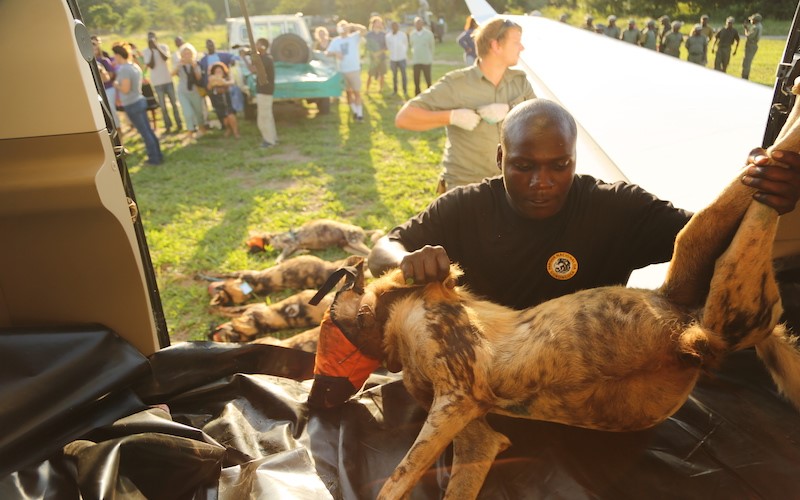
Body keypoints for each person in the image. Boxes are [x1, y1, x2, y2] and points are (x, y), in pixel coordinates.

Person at [369, 99, 800, 311]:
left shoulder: (617, 209)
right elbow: (382, 249)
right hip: (485, 375)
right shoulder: (465, 207)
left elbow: (710, 237)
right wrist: (408, 260)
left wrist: (759, 192)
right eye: (523, 166)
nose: (542, 183)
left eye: (559, 166)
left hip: (583, 375)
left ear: (575, 159)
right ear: (500, 159)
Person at [395, 17, 535, 193]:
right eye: (516, 42)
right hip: (465, 187)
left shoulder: (519, 82)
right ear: (496, 46)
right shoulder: (457, 84)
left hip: (508, 183)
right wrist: (451, 116)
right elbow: (404, 118)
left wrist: (511, 109)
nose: (521, 48)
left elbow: (542, 121)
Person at [111, 44, 163, 166]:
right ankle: (158, 155)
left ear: (118, 55)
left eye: (115, 56)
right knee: (148, 131)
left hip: (132, 103)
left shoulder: (124, 69)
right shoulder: (134, 66)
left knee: (145, 132)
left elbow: (125, 89)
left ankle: (153, 159)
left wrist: (116, 85)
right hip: (139, 100)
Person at [326, 19, 368, 121]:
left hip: (354, 69)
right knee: (348, 93)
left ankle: (359, 114)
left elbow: (364, 30)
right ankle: (354, 111)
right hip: (343, 70)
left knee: (357, 92)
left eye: (344, 27)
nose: (343, 29)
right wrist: (335, 53)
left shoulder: (354, 37)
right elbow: (327, 53)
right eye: (341, 27)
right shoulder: (335, 41)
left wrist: (352, 25)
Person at [143, 31, 182, 134]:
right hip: (157, 82)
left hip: (168, 80)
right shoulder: (146, 51)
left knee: (174, 104)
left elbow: (165, 58)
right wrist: (151, 51)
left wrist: (157, 48)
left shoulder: (163, 47)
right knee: (163, 106)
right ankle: (168, 125)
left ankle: (179, 124)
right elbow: (151, 65)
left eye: (153, 37)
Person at [172, 42, 207, 140]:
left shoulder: (196, 64)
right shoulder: (179, 64)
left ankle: (202, 128)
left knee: (198, 112)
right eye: (185, 53)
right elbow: (172, 74)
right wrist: (179, 66)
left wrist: (194, 66)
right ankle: (190, 131)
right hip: (183, 91)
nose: (187, 55)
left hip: (195, 91)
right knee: (188, 113)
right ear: (181, 54)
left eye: (189, 53)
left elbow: (199, 78)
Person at [250, 38, 277, 148]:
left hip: (264, 91)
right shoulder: (266, 58)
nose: (255, 47)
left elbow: (252, 69)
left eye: (257, 45)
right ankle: (273, 138)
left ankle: (269, 141)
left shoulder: (265, 59)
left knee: (263, 118)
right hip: (266, 91)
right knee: (268, 116)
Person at [91, 35, 120, 128]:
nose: (92, 46)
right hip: (96, 91)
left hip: (108, 88)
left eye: (94, 44)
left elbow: (110, 76)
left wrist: (101, 71)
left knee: (111, 112)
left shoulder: (104, 59)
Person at [206, 62, 240, 139]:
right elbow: (209, 87)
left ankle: (235, 131)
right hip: (217, 100)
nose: (218, 72)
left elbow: (231, 82)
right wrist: (214, 82)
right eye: (216, 71)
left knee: (230, 115)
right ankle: (228, 129)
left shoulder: (228, 77)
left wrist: (222, 82)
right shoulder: (211, 78)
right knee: (224, 118)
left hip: (227, 99)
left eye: (220, 70)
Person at [409, 16, 435, 96]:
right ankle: (417, 94)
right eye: (416, 23)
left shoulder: (428, 34)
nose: (418, 25)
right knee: (416, 79)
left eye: (420, 23)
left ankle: (429, 94)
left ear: (422, 24)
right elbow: (411, 45)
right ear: (414, 24)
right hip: (416, 60)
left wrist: (430, 57)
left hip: (426, 60)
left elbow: (432, 46)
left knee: (428, 79)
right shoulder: (412, 34)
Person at [385, 21, 409, 98]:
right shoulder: (388, 36)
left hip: (402, 58)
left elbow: (406, 44)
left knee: (403, 75)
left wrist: (403, 52)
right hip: (393, 59)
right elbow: (388, 46)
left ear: (398, 27)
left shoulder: (402, 35)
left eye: (396, 26)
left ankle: (405, 90)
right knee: (394, 75)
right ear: (391, 27)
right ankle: (395, 90)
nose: (395, 27)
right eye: (393, 26)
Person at [365, 16, 388, 93]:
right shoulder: (369, 35)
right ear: (373, 23)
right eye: (377, 22)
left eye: (380, 22)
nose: (379, 24)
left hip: (382, 58)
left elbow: (386, 47)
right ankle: (367, 90)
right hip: (373, 59)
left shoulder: (384, 34)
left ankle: (380, 89)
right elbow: (367, 46)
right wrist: (373, 54)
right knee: (370, 75)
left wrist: (378, 53)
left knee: (382, 75)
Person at [742, 13, 763, 80]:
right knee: (748, 62)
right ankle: (745, 76)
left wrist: (746, 29)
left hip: (751, 45)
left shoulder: (755, 27)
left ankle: (745, 77)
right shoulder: (759, 26)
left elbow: (749, 36)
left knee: (746, 62)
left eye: (752, 20)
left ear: (755, 20)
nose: (751, 21)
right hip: (754, 45)